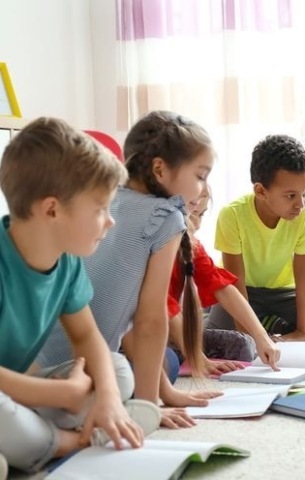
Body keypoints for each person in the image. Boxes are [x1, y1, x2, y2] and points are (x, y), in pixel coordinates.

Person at [37, 111, 224, 430]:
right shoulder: (166, 217)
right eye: (200, 175)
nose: (203, 188)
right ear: (160, 169)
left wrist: (165, 392)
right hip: (77, 366)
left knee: (121, 373)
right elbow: (149, 322)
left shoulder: (106, 200)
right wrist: (150, 408)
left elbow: (132, 326)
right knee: (119, 379)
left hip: (34, 361)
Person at [0, 118, 160, 476]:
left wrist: (105, 396)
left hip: (18, 393)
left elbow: (86, 337)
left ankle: (37, 437)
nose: (111, 221)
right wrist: (57, 396)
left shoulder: (67, 262)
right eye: (101, 208)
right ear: (52, 210)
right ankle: (68, 441)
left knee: (117, 371)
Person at [208, 134, 305, 341]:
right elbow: (236, 282)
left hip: (283, 293)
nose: (301, 204)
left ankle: (270, 321)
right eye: (291, 196)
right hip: (243, 292)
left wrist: (302, 333)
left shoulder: (303, 216)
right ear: (261, 191)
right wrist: (251, 338)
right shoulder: (232, 214)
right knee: (222, 334)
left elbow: (303, 278)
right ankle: (267, 323)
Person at [166, 189, 280, 378]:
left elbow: (222, 286)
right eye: (192, 214)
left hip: (179, 334)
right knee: (166, 364)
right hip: (146, 335)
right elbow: (165, 307)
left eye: (201, 214)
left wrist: (262, 337)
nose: (197, 223)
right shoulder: (158, 246)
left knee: (243, 346)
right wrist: (197, 359)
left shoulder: (192, 245)